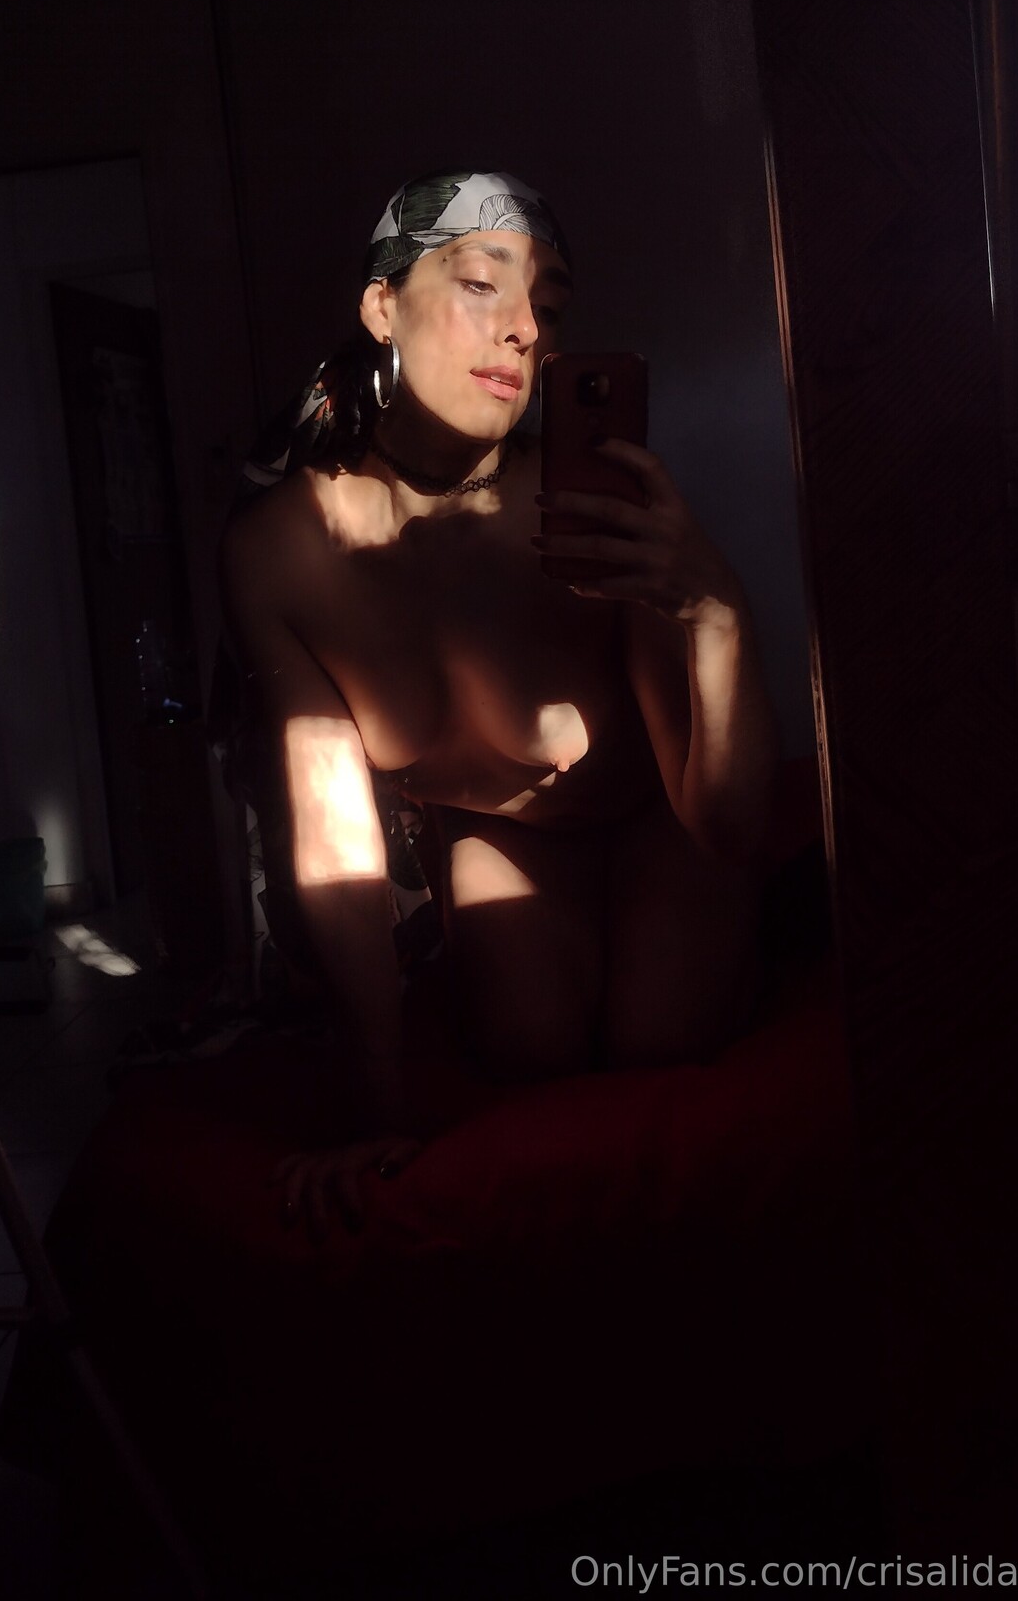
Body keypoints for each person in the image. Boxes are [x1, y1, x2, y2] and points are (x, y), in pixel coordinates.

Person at [217, 170, 778, 1236]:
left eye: (550, 307)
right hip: (495, 831)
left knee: (659, 1038)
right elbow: (332, 845)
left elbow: (729, 821)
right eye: (483, 283)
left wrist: (715, 609)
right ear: (382, 306)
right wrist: (376, 1115)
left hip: (660, 814)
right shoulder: (280, 552)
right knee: (532, 1048)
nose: (525, 330)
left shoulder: (586, 502)